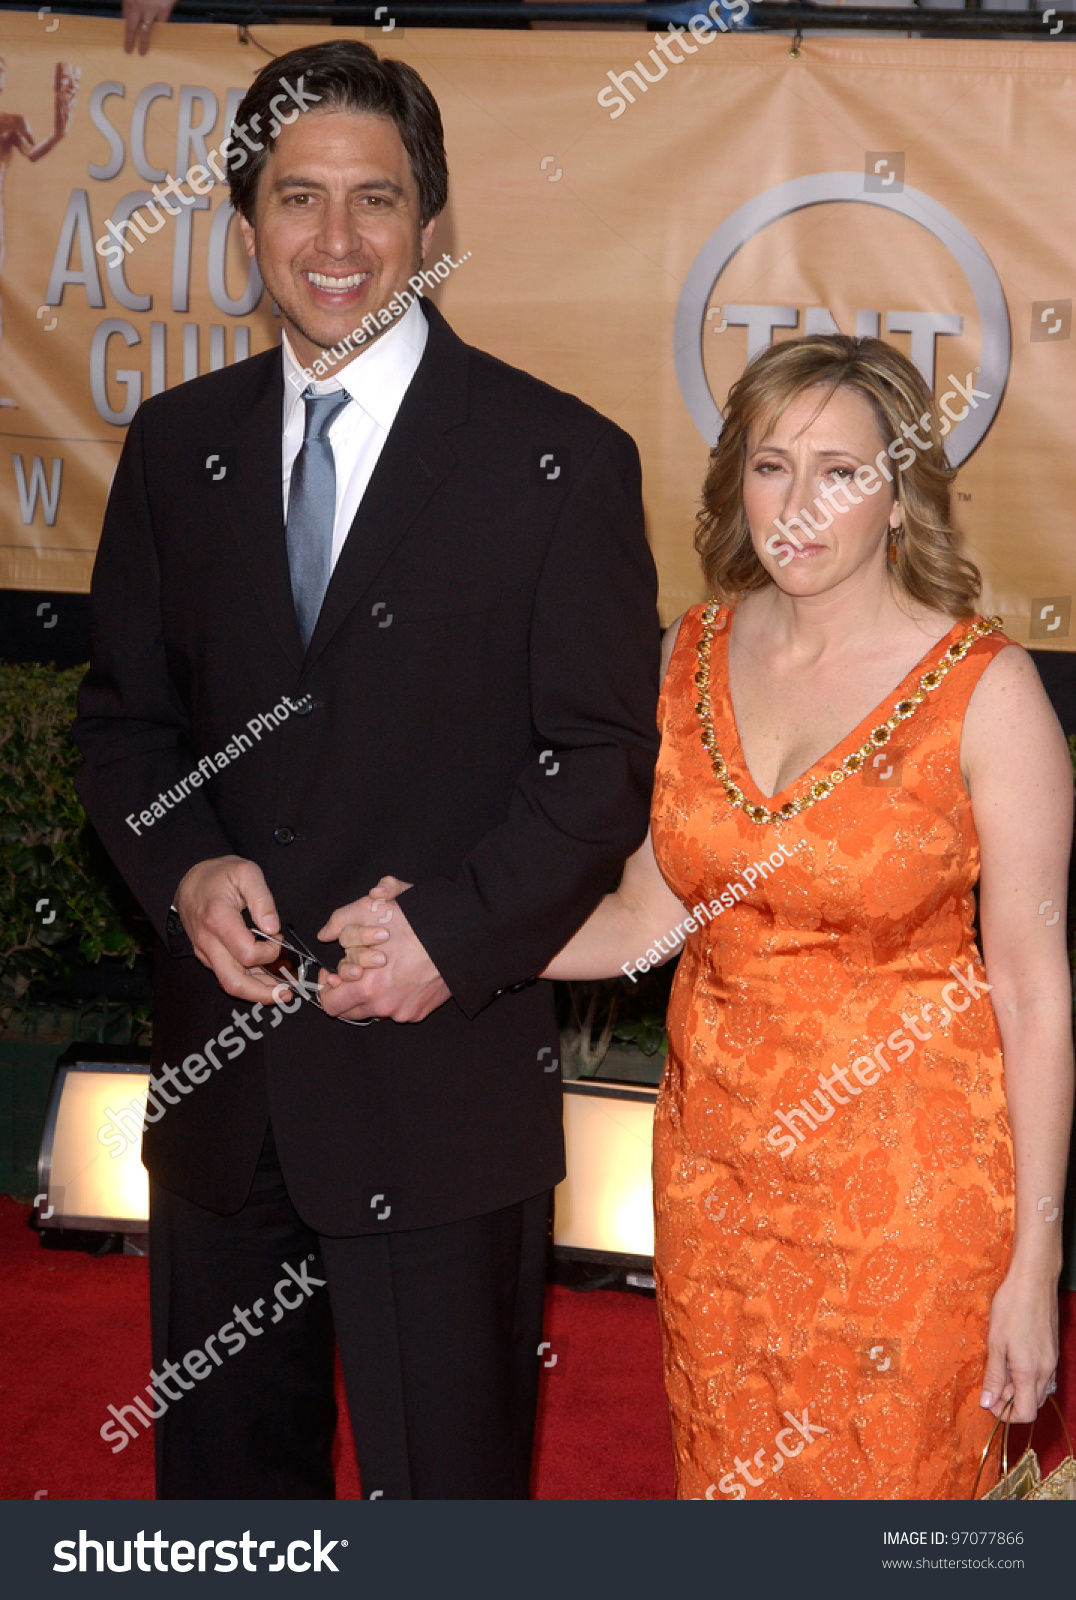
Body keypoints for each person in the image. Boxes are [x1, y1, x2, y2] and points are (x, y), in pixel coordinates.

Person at [73, 39, 660, 1500]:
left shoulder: (557, 459)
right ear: (248, 222)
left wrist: (450, 938)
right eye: (298, 199)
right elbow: (126, 722)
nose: (337, 243)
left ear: (432, 220)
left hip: (441, 1088)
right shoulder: (175, 446)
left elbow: (603, 763)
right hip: (225, 1091)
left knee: (443, 1511)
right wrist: (188, 866)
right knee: (226, 1511)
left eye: (376, 201)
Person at [349, 335, 1074, 1500]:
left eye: (840, 472)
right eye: (771, 464)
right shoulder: (686, 653)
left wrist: (1035, 1259)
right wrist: (445, 932)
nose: (797, 505)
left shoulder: (986, 691)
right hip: (715, 1180)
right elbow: (644, 913)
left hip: (916, 1192)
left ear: (898, 496)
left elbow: (1035, 992)